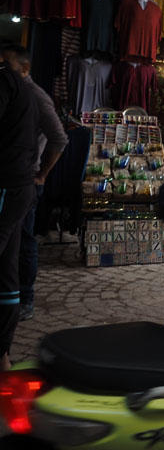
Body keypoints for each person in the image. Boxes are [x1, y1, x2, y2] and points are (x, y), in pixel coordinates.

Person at [1, 45, 68, 321]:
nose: (3, 70)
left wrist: (42, 174)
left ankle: (25, 298)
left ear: (25, 68)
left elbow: (60, 138)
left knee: (23, 241)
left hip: (23, 179)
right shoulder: (14, 92)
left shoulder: (36, 97)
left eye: (7, 64)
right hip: (18, 178)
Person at [0, 49, 38, 369]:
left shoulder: (8, 84)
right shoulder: (26, 90)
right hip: (20, 183)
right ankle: (3, 355)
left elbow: (58, 137)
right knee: (7, 269)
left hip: (8, 183)